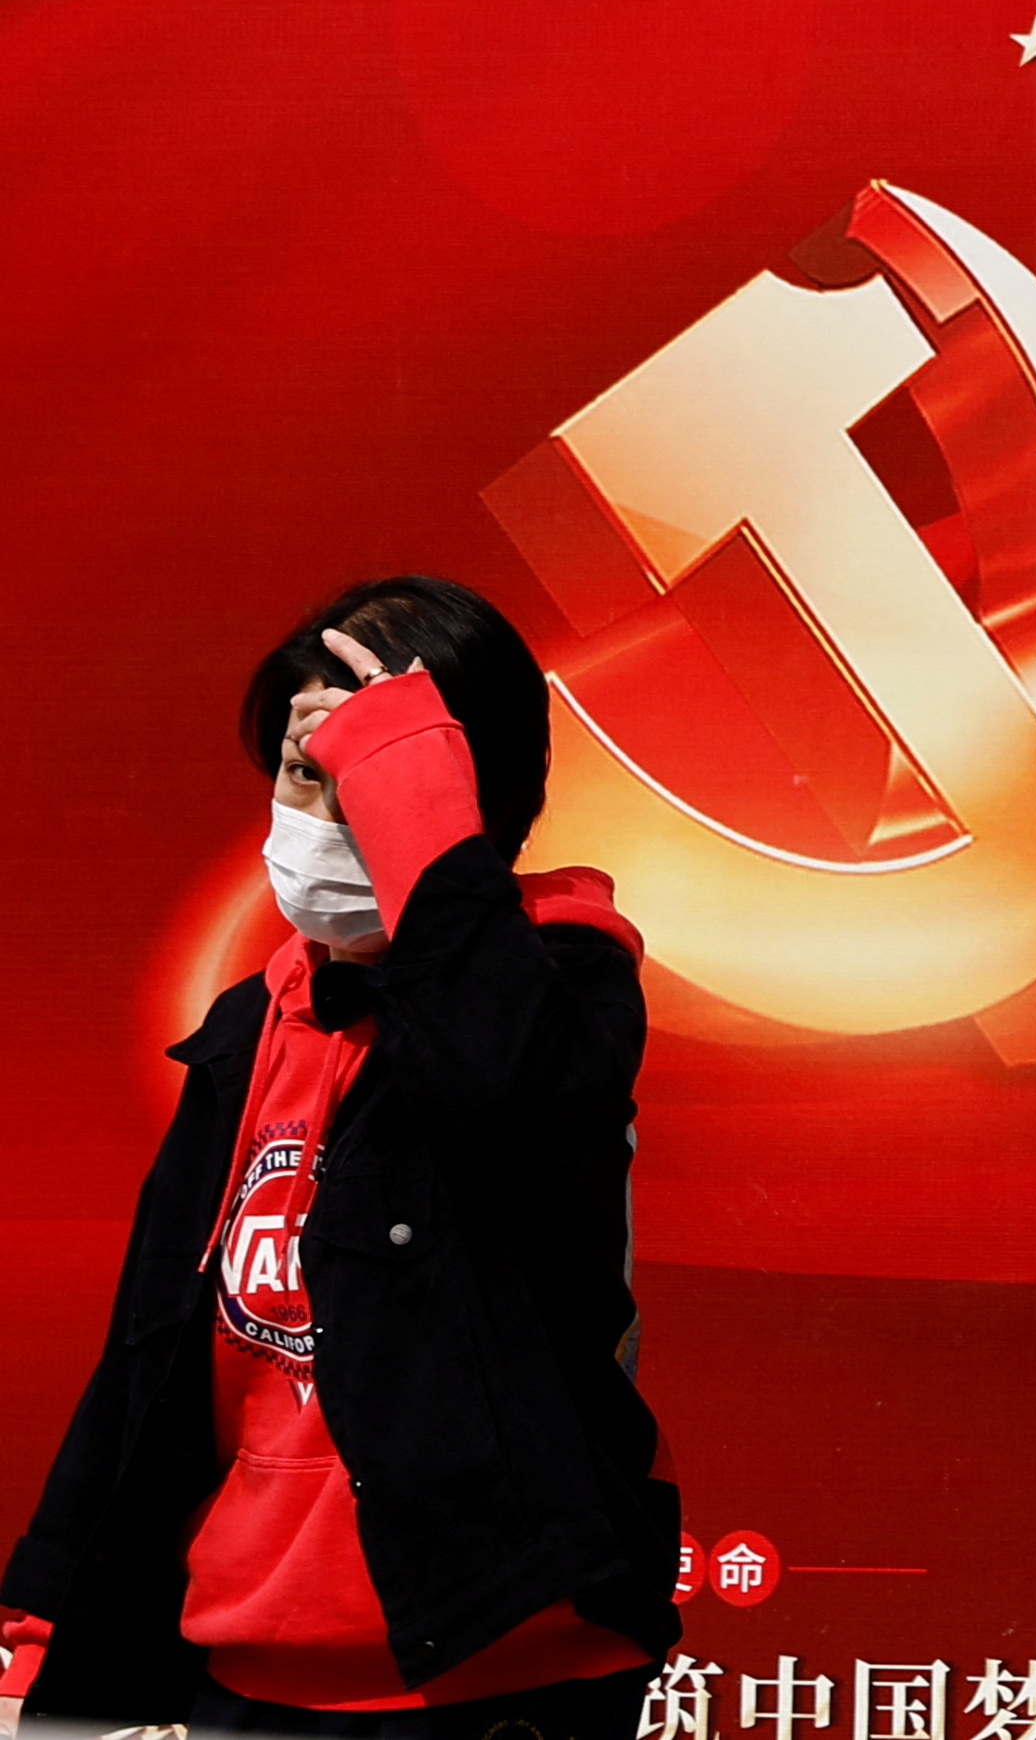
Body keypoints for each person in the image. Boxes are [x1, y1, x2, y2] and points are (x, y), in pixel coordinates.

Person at [0, 577, 678, 1740]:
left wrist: (411, 787)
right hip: (249, 1674)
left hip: (498, 1665)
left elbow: (494, 1079)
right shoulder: (248, 1028)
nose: (319, 812)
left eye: (365, 774)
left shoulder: (565, 985)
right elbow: (152, 1360)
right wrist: (42, 1625)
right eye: (301, 770)